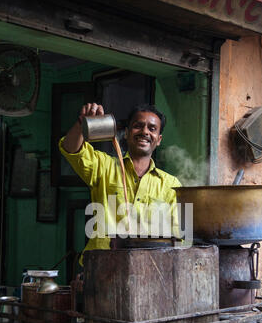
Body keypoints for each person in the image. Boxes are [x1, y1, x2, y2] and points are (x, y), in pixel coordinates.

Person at [59, 102, 182, 262]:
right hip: (101, 265)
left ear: (158, 140)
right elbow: (71, 148)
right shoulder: (103, 166)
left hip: (148, 269)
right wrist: (82, 122)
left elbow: (176, 237)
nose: (145, 131)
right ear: (126, 133)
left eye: (152, 129)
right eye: (138, 126)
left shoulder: (171, 185)